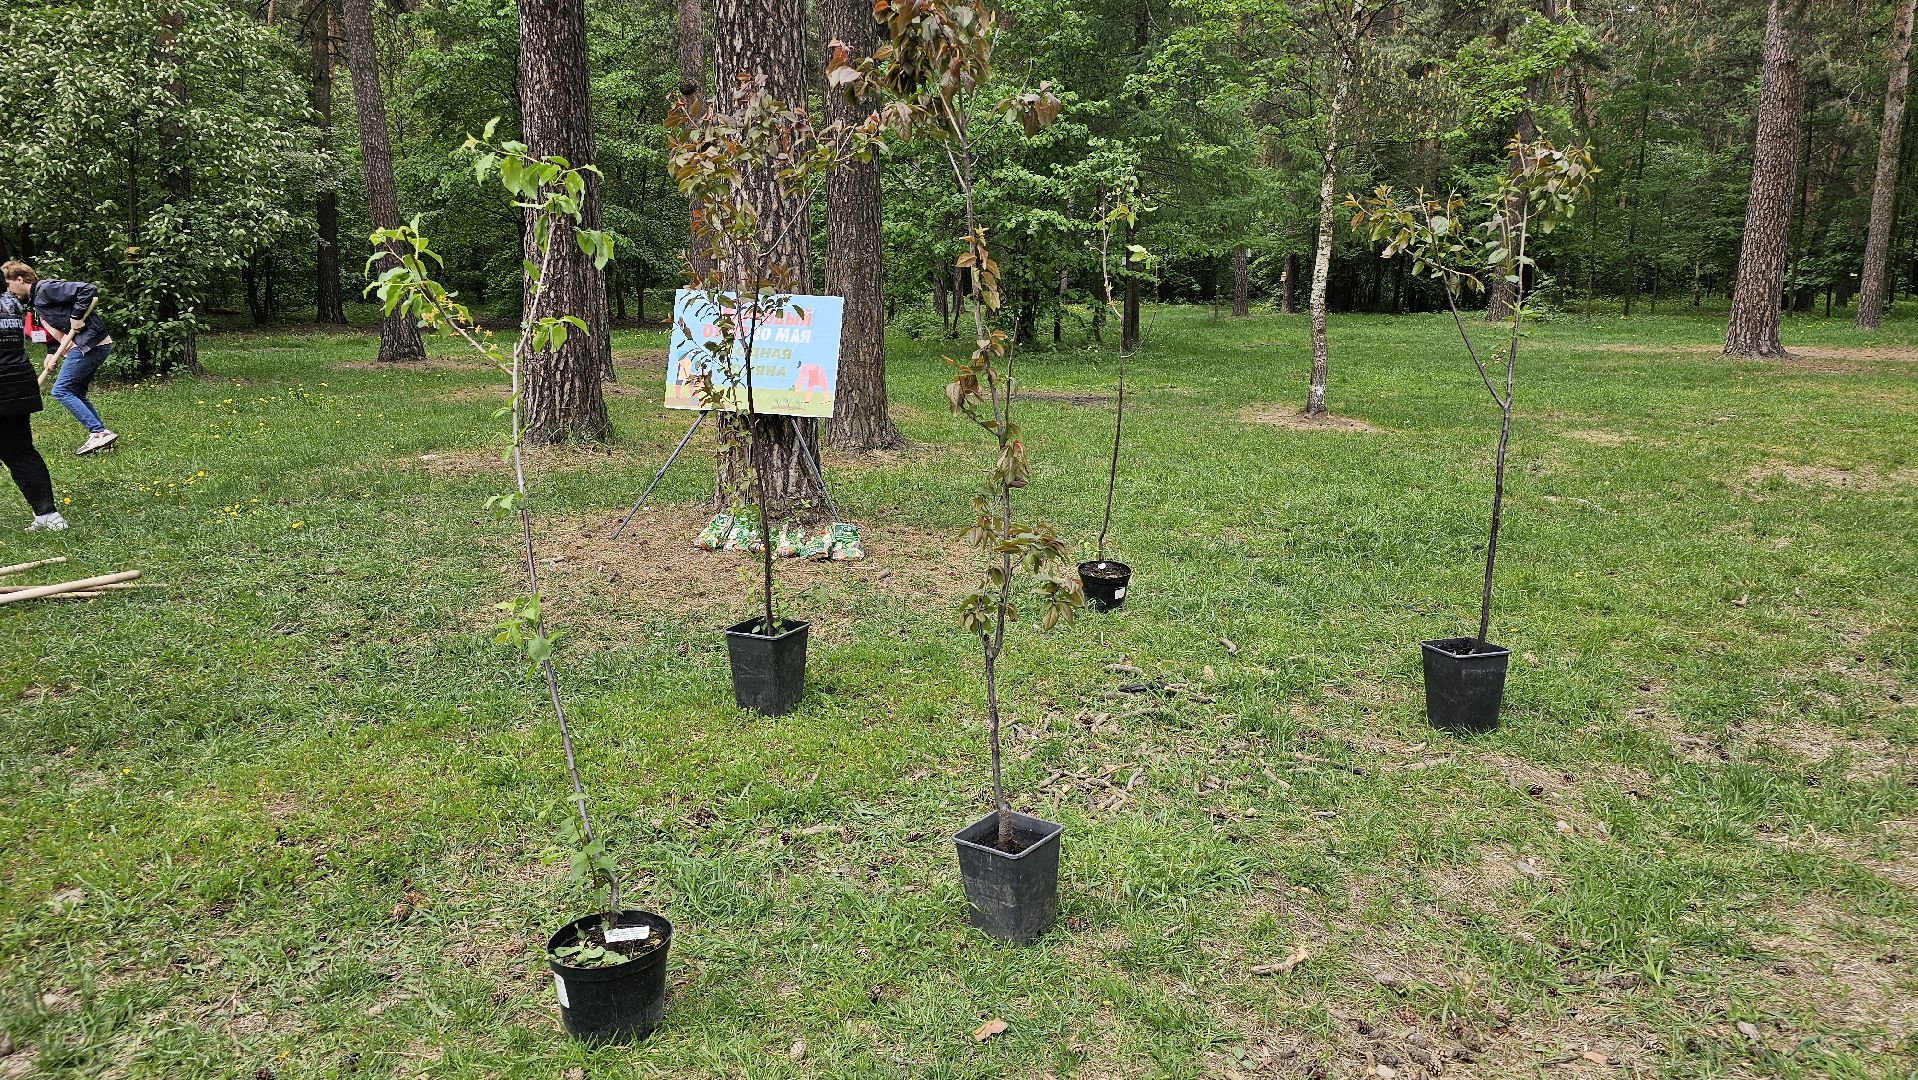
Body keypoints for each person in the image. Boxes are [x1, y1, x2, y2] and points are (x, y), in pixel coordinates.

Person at [2, 262, 117, 455]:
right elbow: (58, 329)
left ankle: (98, 433)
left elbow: (87, 289)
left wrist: (77, 316)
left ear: (19, 279)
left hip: (89, 344)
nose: (9, 291)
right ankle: (102, 435)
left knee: (61, 390)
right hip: (90, 345)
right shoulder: (36, 301)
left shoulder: (46, 289)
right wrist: (51, 353)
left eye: (8, 285)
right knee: (76, 393)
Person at [0, 278, 66, 530]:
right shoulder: (11, 302)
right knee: (20, 451)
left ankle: (48, 515)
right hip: (18, 381)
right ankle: (48, 515)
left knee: (17, 451)